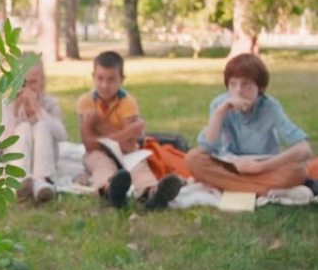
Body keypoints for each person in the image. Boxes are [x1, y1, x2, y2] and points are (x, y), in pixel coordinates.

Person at [185, 53, 314, 201]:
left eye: (245, 84)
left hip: (263, 165)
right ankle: (266, 192)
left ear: (260, 87)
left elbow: (304, 149)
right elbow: (206, 148)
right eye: (233, 84)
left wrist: (259, 167)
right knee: (193, 158)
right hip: (231, 165)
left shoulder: (270, 107)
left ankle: (222, 185)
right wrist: (220, 112)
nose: (238, 90)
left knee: (298, 171)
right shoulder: (219, 104)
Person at [78, 51, 182, 209]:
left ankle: (152, 192)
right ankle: (109, 191)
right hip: (98, 152)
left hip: (125, 151)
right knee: (102, 167)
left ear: (122, 79)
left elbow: (128, 145)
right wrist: (130, 130)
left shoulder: (127, 102)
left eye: (111, 79)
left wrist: (101, 129)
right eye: (100, 78)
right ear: (93, 76)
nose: (105, 85)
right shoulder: (85, 102)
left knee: (139, 166)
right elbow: (89, 145)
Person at [2, 60, 67, 202]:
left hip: (45, 160)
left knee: (42, 126)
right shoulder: (8, 104)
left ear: (42, 82)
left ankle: (42, 181)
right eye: (23, 83)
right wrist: (13, 113)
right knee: (23, 127)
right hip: (17, 160)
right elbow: (1, 143)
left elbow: (62, 135)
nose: (28, 88)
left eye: (33, 82)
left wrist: (38, 110)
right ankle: (20, 179)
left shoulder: (50, 103)